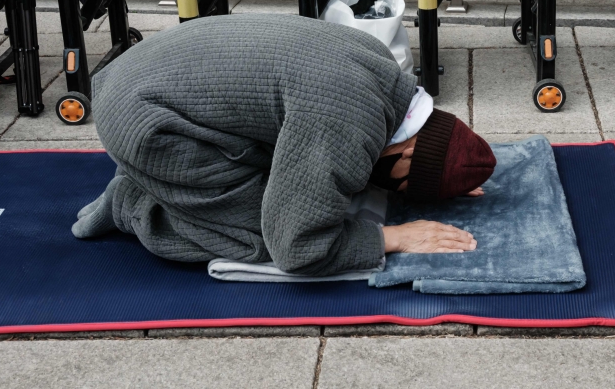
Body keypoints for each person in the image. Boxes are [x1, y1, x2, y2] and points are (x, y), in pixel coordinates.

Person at [72, 14, 496, 276]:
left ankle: (167, 185)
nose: (398, 191)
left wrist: (444, 175)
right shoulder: (349, 121)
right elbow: (297, 248)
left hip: (148, 73)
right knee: (261, 237)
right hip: (144, 120)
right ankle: (136, 202)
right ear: (406, 152)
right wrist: (394, 237)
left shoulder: (381, 62)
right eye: (406, 184)